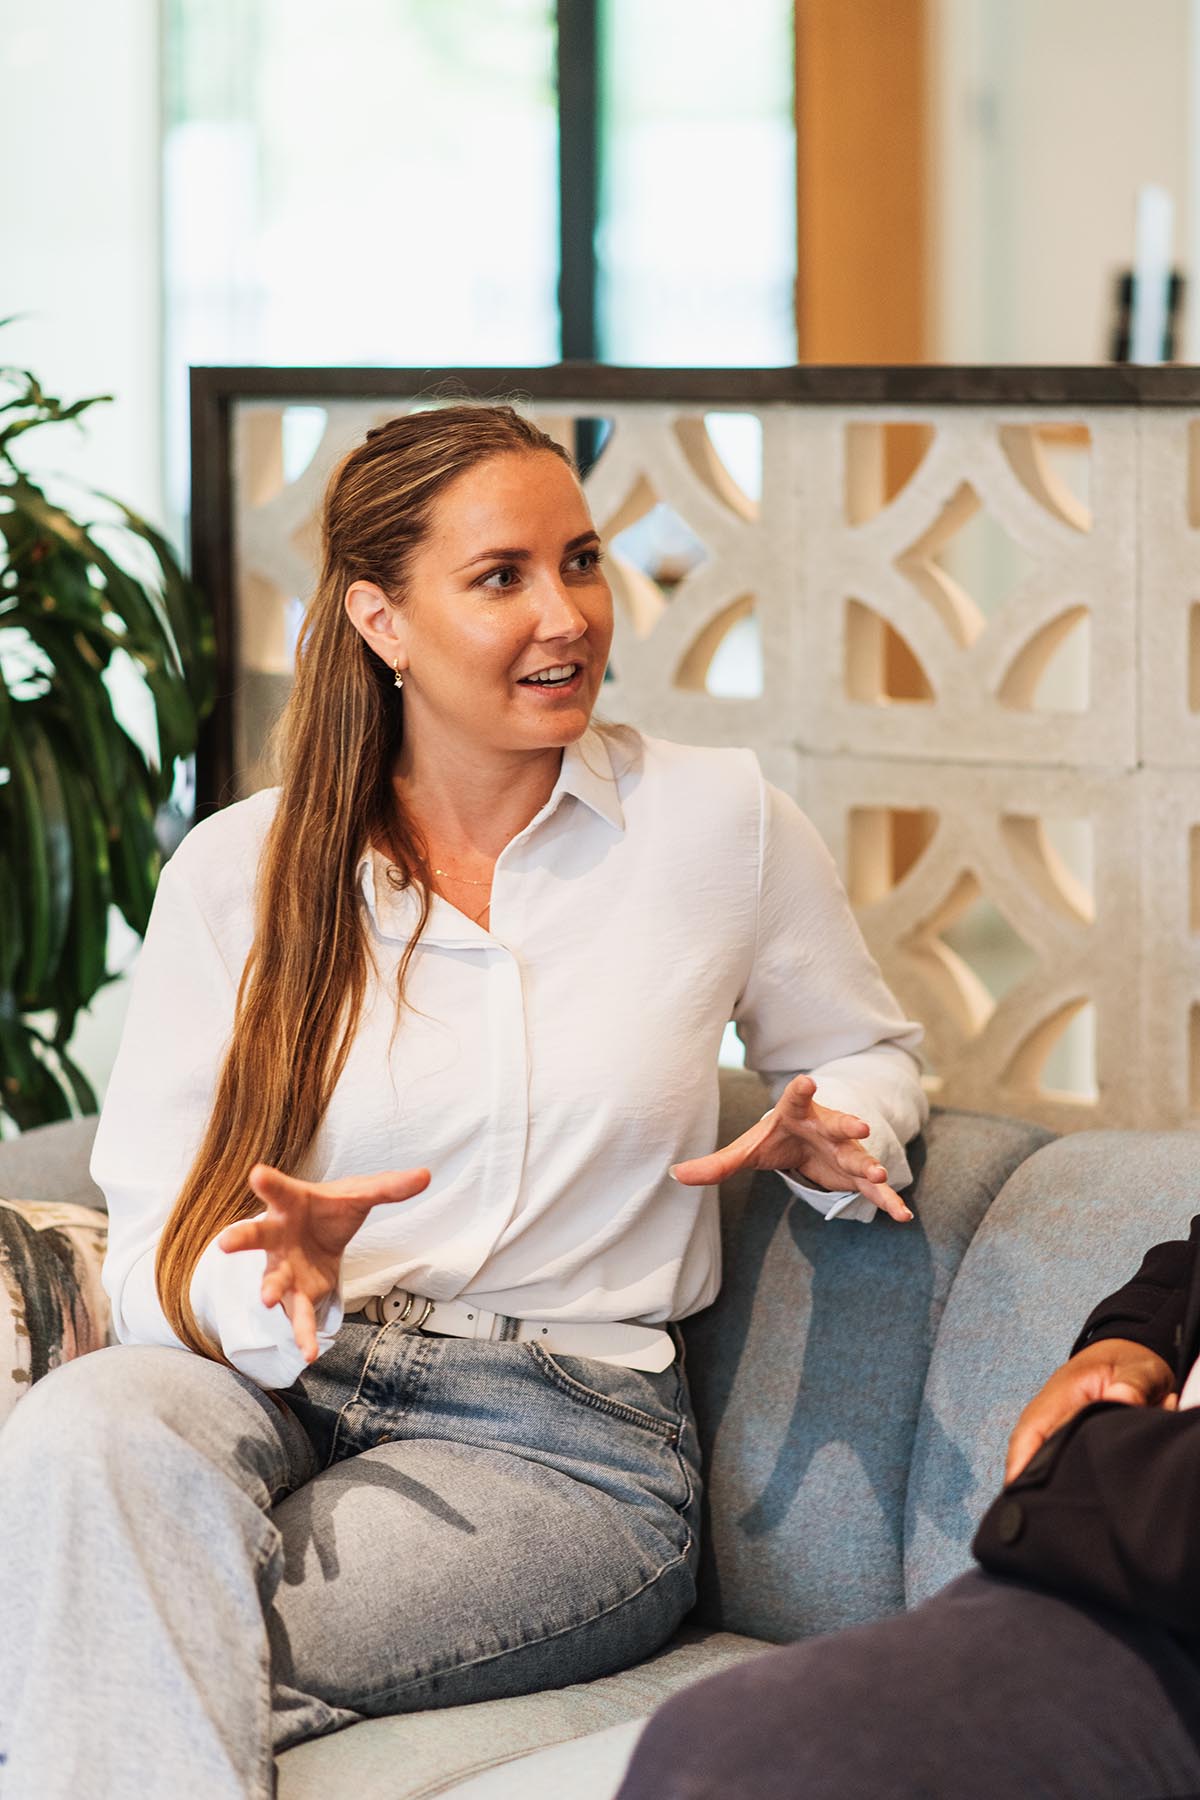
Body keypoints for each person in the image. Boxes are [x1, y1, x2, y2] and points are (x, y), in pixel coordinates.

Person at [0, 405, 927, 1799]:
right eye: (502, 578)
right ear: (380, 619)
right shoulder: (237, 872)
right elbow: (151, 1253)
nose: (567, 617)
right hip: (276, 1379)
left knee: (106, 1619)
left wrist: (834, 1128)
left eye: (583, 562)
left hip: (563, 1445)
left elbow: (867, 1050)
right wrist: (269, 1282)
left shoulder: (717, 826)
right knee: (82, 1438)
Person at [614, 1216, 1200, 1799]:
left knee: (729, 1761)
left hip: (1151, 1589)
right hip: (1099, 1570)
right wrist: (1136, 1336)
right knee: (715, 1746)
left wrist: (1098, 1464)